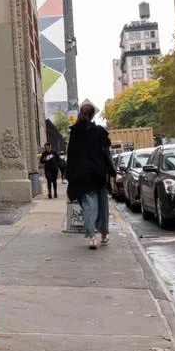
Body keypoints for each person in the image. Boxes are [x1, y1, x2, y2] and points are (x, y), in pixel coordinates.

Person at [65, 103, 113, 249]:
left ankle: (92, 236)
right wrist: (112, 171)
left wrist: (70, 174)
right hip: (98, 174)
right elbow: (106, 152)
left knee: (88, 206)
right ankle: (104, 234)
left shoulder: (74, 131)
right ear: (93, 115)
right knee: (102, 205)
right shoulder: (99, 131)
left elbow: (70, 154)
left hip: (81, 176)